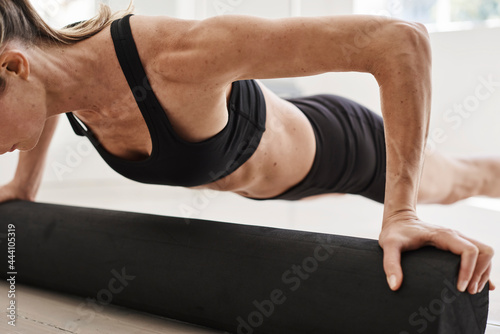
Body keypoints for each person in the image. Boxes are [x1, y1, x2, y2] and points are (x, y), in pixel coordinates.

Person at [0, 0, 496, 295]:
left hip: (340, 149)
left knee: (461, 182)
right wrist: (25, 185)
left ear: (15, 67)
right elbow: (43, 104)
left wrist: (402, 213)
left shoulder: (173, 57)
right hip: (269, 165)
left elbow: (399, 41)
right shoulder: (59, 84)